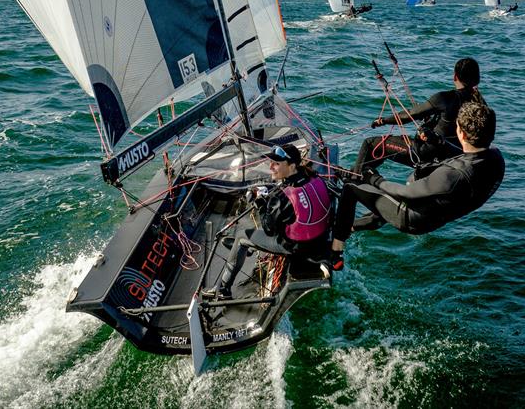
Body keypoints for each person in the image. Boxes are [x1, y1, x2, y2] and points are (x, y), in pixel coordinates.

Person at [331, 102, 504, 270]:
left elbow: (405, 193)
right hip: (436, 215)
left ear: (462, 134)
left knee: (351, 189)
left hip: (410, 218)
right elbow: (468, 155)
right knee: (383, 205)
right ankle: (351, 227)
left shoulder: (451, 176)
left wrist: (373, 178)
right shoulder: (496, 159)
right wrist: (440, 143)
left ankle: (336, 251)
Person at [206, 143, 332, 298]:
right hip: (320, 240)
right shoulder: (315, 177)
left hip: (296, 247)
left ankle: (223, 290)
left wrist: (259, 203)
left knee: (241, 236)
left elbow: (268, 229)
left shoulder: (281, 196)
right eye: (270, 162)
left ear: (292, 166)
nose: (271, 167)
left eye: (276, 164)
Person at [351, 57, 487, 173]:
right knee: (373, 156)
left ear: (455, 76)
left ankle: (353, 179)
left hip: (426, 154)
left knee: (370, 144)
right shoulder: (481, 105)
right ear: (478, 78)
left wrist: (383, 121)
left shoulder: (444, 98)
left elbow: (409, 115)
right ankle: (359, 173)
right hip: (456, 157)